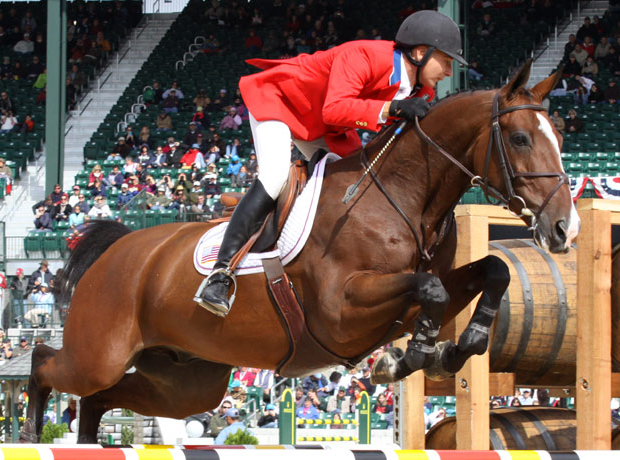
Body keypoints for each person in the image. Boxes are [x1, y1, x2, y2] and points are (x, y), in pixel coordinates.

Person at [194, 10, 465, 316]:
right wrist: (395, 108)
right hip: (282, 102)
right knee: (274, 177)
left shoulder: (421, 90)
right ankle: (221, 274)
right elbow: (335, 109)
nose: (449, 70)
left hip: (326, 128)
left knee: (360, 177)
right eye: (446, 60)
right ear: (420, 52)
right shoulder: (364, 55)